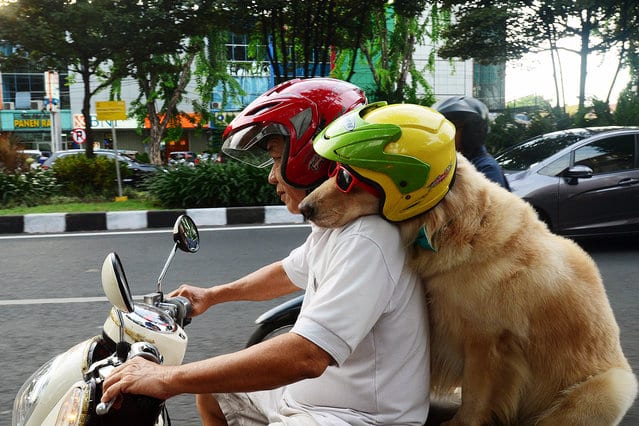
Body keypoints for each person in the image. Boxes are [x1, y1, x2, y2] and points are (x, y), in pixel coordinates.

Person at [101, 78, 430, 426]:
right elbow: (288, 272)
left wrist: (167, 379)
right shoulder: (335, 226)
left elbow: (307, 356)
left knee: (201, 379)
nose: (272, 177)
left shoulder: (367, 237)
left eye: (275, 158)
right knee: (212, 392)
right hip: (308, 399)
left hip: (356, 417)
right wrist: (212, 295)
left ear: (312, 157)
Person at [432, 96, 510, 190]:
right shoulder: (450, 163)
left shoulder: (486, 170)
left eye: (450, 128)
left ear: (472, 132)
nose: (443, 135)